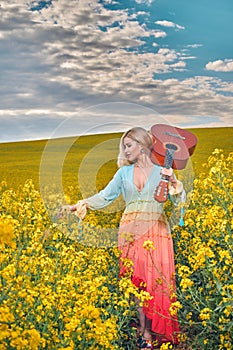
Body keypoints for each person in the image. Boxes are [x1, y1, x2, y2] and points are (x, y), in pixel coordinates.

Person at [67, 127, 185, 348]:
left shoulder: (164, 169)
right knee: (138, 282)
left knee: (156, 283)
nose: (124, 150)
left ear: (142, 146)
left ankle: (156, 331)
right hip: (130, 231)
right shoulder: (123, 173)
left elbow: (179, 201)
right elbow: (105, 196)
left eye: (128, 145)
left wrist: (175, 185)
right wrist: (80, 205)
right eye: (124, 146)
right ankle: (145, 333)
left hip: (156, 230)